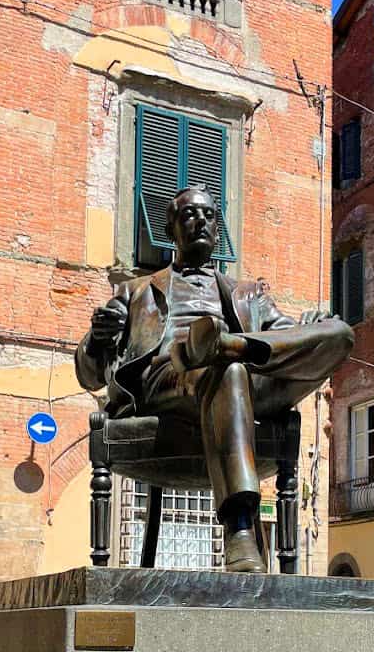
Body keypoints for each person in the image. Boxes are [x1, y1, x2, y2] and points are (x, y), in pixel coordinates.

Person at [76, 184, 355, 572]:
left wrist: (309, 329)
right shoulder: (135, 290)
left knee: (339, 333)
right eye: (190, 214)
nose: (201, 221)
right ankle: (240, 530)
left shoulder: (248, 294)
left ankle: (228, 345)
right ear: (172, 229)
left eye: (209, 215)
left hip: (247, 379)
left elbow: (285, 339)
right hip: (168, 380)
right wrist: (97, 340)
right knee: (226, 370)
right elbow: (88, 375)